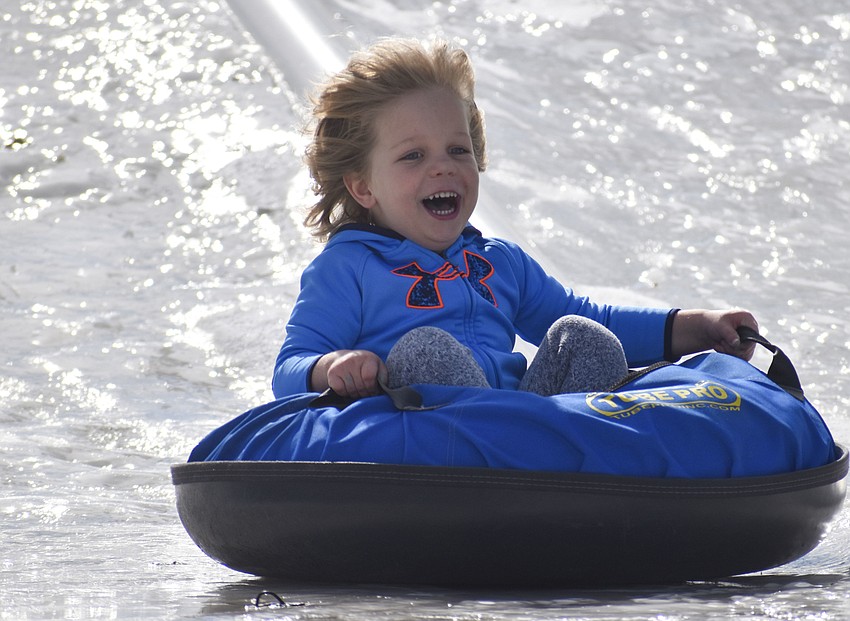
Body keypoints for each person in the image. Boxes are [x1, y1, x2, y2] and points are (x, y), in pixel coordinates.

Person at [271, 38, 758, 401]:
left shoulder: (499, 263)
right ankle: (478, 463)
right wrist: (331, 366)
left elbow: (596, 317)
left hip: (517, 433)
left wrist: (694, 327)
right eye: (413, 156)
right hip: (415, 436)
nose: (442, 166)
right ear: (363, 187)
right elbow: (289, 367)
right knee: (425, 349)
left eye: (457, 150)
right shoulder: (348, 267)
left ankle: (578, 468)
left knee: (582, 337)